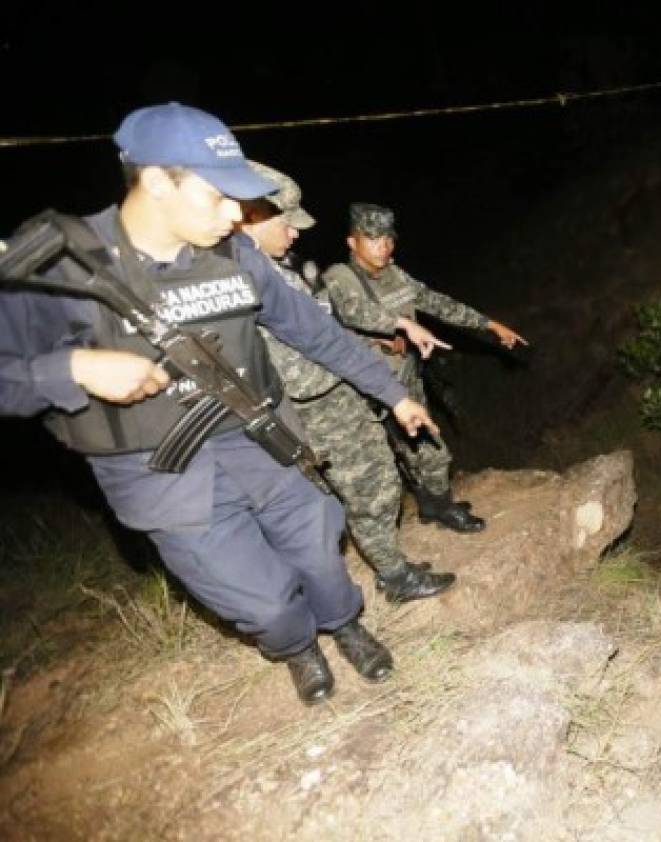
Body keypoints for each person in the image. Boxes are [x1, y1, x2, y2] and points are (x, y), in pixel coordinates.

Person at [0, 102, 438, 706]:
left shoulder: (236, 255)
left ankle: (344, 624)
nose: (237, 214)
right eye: (218, 197)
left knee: (319, 548)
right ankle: (296, 647)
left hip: (262, 438)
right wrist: (69, 367)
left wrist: (390, 393)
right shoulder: (58, 265)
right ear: (157, 182)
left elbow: (313, 331)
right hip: (159, 473)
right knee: (260, 600)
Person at [234, 160, 455, 603]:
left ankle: (390, 566)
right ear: (249, 217)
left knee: (372, 486)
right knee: (368, 490)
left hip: (334, 395)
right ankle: (392, 578)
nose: (295, 233)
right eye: (287, 223)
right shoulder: (242, 279)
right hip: (312, 407)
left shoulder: (275, 269)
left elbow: (326, 331)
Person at [321, 203, 528, 533]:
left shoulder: (395, 274)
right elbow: (349, 315)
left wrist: (488, 324)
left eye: (388, 239)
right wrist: (395, 328)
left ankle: (432, 504)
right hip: (368, 391)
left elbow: (436, 302)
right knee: (426, 449)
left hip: (405, 377)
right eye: (373, 239)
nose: (383, 247)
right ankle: (442, 508)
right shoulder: (338, 278)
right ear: (352, 243)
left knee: (419, 446)